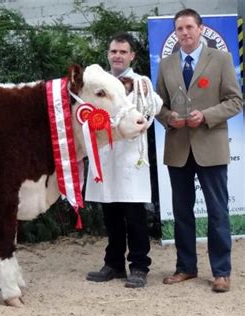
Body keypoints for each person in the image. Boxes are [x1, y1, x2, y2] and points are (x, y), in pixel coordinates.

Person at [156, 9, 242, 292]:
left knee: (217, 212)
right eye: (179, 29)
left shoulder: (221, 59)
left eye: (189, 27)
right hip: (178, 148)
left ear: (201, 29)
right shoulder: (166, 64)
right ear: (175, 33)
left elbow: (234, 101)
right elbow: (159, 105)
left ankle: (221, 272)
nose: (185, 33)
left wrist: (205, 116)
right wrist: (169, 118)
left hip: (210, 147)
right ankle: (186, 267)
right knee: (182, 212)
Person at [85, 32, 163, 288]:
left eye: (123, 52)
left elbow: (155, 109)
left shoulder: (141, 82)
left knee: (135, 215)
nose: (117, 56)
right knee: (111, 213)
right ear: (108, 54)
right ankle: (114, 263)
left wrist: (145, 94)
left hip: (130, 157)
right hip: (105, 155)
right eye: (113, 51)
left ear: (132, 56)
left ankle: (139, 266)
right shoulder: (100, 84)